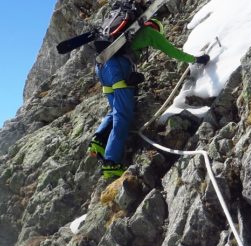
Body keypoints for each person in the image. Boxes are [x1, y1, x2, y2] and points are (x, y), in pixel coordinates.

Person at [89, 17, 209, 180]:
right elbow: (172, 51)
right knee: (123, 115)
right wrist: (196, 60)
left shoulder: (119, 40)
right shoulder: (149, 32)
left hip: (101, 68)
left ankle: (99, 140)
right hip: (117, 66)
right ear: (155, 27)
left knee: (115, 109)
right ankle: (111, 162)